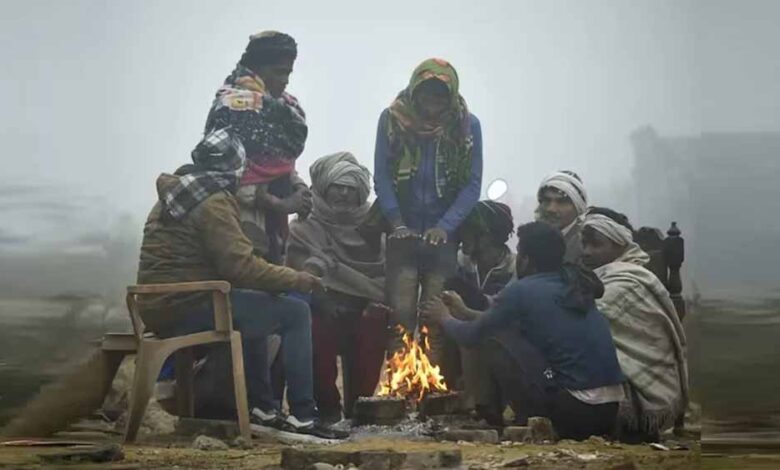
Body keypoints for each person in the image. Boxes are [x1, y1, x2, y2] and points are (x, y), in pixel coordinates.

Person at [136, 129, 347, 440]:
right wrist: (297, 279)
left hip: (155, 306)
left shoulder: (174, 197)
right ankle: (303, 417)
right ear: (235, 167)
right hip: (188, 306)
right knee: (295, 313)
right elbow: (240, 267)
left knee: (254, 306)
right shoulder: (213, 201)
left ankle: (262, 409)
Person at [421, 222, 624, 440]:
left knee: (491, 340)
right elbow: (510, 324)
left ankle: (491, 415)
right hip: (608, 411)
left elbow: (471, 336)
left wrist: (444, 317)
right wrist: (464, 311)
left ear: (525, 259)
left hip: (572, 409)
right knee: (503, 334)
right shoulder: (571, 282)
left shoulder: (521, 290)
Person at [369, 58, 483, 365]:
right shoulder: (392, 119)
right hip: (402, 234)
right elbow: (382, 176)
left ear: (451, 95)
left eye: (440, 95)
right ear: (415, 91)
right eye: (427, 93)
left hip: (444, 237)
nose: (433, 102)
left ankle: (432, 385)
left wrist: (445, 226)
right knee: (400, 316)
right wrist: (396, 221)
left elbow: (472, 185)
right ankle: (400, 383)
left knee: (436, 318)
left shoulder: (466, 125)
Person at [286, 152, 389, 423]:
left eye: (350, 188)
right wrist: (322, 299)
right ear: (324, 187)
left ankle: (361, 410)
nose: (344, 193)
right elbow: (298, 274)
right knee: (313, 328)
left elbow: (385, 275)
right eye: (338, 187)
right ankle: (327, 409)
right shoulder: (304, 226)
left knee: (375, 323)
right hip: (322, 306)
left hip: (365, 307)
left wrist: (371, 303)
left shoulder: (375, 225)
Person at [204, 31, 312, 264]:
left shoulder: (285, 106)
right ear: (258, 68)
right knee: (247, 275)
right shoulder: (233, 105)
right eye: (279, 72)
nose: (285, 80)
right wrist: (281, 204)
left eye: (288, 73)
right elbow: (222, 175)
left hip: (274, 220)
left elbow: (280, 162)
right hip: (238, 218)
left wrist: (300, 189)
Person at [581, 208, 689, 442]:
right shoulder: (598, 277)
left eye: (596, 245)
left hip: (644, 389)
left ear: (620, 245)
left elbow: (586, 324)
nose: (586, 252)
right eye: (584, 244)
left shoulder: (629, 282)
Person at [442, 200, 516, 415]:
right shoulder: (459, 263)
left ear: (489, 235)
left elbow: (505, 318)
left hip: (499, 343)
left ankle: (482, 405)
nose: (461, 236)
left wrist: (467, 308)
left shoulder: (515, 268)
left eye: (468, 230)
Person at [535, 171, 588, 264]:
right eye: (547, 200)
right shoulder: (535, 239)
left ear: (578, 206)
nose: (551, 209)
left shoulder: (586, 245)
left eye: (561, 202)